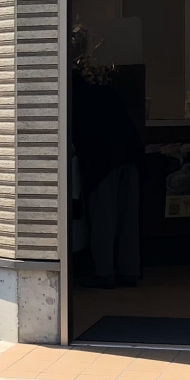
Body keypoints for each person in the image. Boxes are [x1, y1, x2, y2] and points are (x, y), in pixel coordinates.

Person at [71, 67, 144, 288]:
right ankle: (129, 271)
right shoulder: (106, 92)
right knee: (128, 218)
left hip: (101, 163)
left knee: (104, 219)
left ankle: (105, 273)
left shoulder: (73, 101)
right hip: (130, 156)